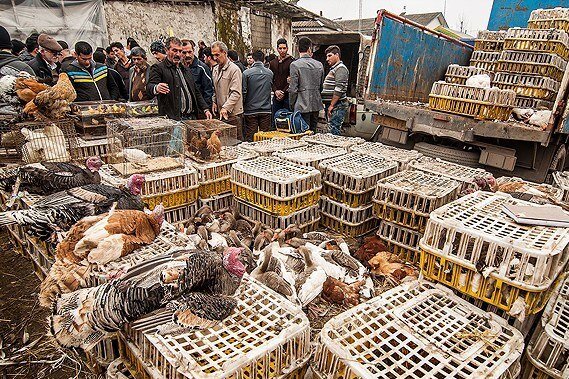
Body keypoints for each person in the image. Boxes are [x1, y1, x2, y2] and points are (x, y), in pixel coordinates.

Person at [147, 37, 212, 121]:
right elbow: (149, 87)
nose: (178, 54)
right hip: (173, 120)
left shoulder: (186, 69)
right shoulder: (158, 68)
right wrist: (156, 87)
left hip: (191, 117)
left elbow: (195, 91)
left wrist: (205, 109)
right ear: (166, 50)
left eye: (180, 51)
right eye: (174, 50)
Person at [289, 37, 324, 132]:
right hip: (316, 104)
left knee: (302, 134)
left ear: (297, 49)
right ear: (309, 48)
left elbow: (293, 89)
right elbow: (321, 87)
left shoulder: (295, 65)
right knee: (313, 133)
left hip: (301, 104)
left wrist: (292, 104)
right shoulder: (319, 65)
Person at [211, 41, 244, 139]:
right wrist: (214, 102)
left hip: (234, 114)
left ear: (225, 53)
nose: (215, 58)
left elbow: (236, 93)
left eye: (217, 55)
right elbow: (215, 89)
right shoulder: (215, 69)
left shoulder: (234, 69)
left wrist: (226, 107)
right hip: (221, 113)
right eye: (213, 55)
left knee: (236, 142)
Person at [242, 50, 273, 141]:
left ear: (253, 59)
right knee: (265, 139)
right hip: (266, 109)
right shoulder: (270, 73)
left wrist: (243, 106)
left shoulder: (246, 73)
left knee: (251, 138)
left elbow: (244, 92)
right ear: (263, 60)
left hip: (250, 110)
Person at [321, 45, 350, 136]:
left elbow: (339, 88)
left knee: (334, 130)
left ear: (337, 55)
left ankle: (335, 149)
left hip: (338, 105)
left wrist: (332, 105)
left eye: (329, 56)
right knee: (331, 129)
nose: (327, 59)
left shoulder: (340, 68)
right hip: (333, 105)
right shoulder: (335, 68)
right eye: (327, 56)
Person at [181, 40, 213, 109]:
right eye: (184, 53)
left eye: (189, 52)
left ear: (193, 50)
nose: (187, 55)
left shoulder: (202, 68)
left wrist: (206, 109)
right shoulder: (178, 69)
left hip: (200, 110)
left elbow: (209, 90)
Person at [269, 38, 293, 117]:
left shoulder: (292, 62)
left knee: (288, 119)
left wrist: (283, 92)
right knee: (275, 119)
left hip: (288, 95)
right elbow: (271, 79)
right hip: (276, 95)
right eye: (280, 48)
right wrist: (275, 91)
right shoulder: (273, 63)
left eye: (284, 48)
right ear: (277, 49)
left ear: (287, 49)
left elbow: (292, 80)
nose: (282, 50)